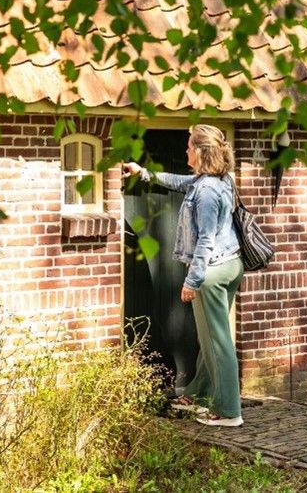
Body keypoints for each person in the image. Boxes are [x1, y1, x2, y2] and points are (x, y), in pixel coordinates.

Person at [122, 124, 244, 427]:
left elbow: (206, 239)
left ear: (201, 152)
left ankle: (229, 411)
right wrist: (144, 174)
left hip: (212, 271)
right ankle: (200, 393)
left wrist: (192, 281)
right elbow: (180, 182)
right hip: (231, 263)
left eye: (190, 146)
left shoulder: (205, 192)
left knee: (217, 342)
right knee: (210, 337)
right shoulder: (219, 180)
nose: (186, 150)